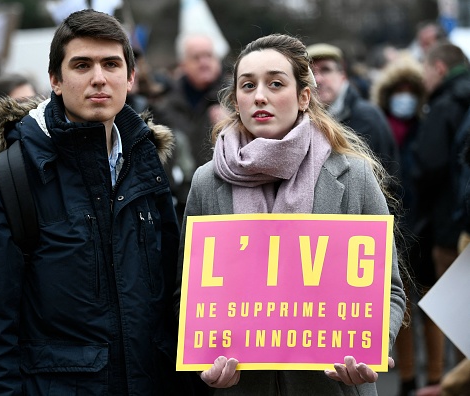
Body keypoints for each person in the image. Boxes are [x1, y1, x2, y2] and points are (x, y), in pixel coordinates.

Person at [0, 9, 205, 396]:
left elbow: (175, 301)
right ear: (56, 80)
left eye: (111, 64)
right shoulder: (15, 175)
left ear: (130, 77)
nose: (98, 78)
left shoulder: (147, 166)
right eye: (81, 65)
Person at [177, 33, 406, 395]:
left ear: (303, 97)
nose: (260, 96)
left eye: (275, 83)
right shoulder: (207, 182)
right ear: (235, 99)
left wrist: (369, 349)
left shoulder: (352, 173)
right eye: (248, 85)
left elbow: (389, 290)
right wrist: (205, 360)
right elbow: (188, 293)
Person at [370, 55, 436, 396]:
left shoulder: (426, 126)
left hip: (425, 221)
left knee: (430, 303)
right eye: (400, 90)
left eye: (412, 90)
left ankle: (436, 376)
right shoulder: (380, 125)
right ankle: (409, 377)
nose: (405, 96)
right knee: (402, 302)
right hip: (396, 222)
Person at [412, 40, 470, 394]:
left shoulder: (444, 104)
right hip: (457, 221)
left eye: (424, 71)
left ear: (439, 69)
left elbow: (429, 168)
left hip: (452, 228)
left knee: (460, 322)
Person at [152, 32, 226, 221]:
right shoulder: (164, 106)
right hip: (182, 206)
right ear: (183, 64)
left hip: (224, 203)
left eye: (209, 56)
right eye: (196, 57)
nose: (204, 62)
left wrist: (231, 124)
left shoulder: (235, 98)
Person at [308, 43, 400, 182]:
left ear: (342, 75)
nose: (318, 79)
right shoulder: (303, 120)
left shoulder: (367, 117)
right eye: (312, 73)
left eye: (326, 70)